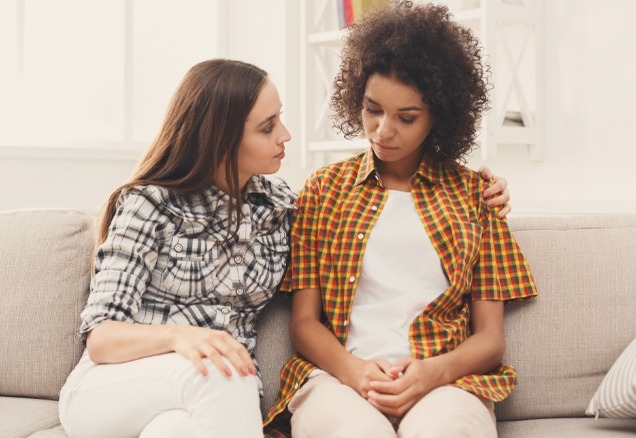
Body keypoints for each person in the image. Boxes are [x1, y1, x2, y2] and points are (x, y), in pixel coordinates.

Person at [58, 58, 511, 438]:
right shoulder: (148, 203)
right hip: (115, 386)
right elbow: (101, 338)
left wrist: (486, 188)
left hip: (201, 399)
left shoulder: (279, 207)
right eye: (268, 126)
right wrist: (183, 337)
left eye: (280, 119)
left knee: (179, 428)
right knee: (228, 374)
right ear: (220, 137)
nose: (286, 136)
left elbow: (364, 221)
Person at [263, 2, 538, 437]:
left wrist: (432, 373)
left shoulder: (476, 196)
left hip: (446, 383)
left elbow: (490, 339)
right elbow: (304, 322)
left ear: (440, 117)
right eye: (373, 109)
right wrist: (355, 372)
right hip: (339, 379)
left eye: (406, 118)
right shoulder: (323, 190)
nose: (382, 131)